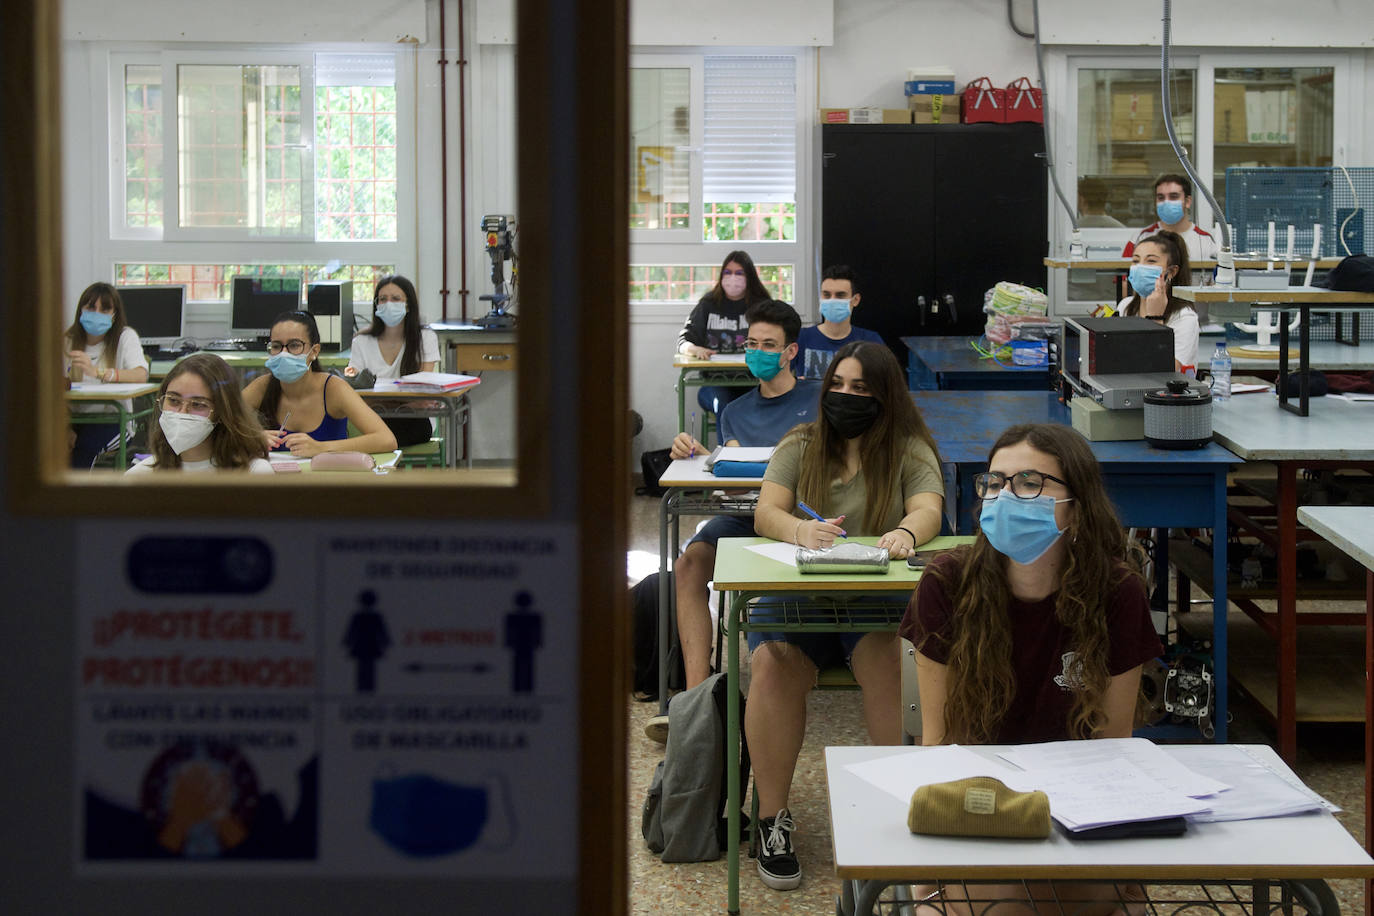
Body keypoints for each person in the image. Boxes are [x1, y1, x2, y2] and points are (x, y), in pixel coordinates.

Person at [900, 423, 1161, 915]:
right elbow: (939, 746)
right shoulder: (946, 584)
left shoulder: (1116, 593)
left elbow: (1113, 749)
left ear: (1076, 509)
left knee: (1058, 900)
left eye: (1029, 483)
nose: (1004, 496)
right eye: (995, 483)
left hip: (1079, 812)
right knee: (1013, 905)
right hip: (977, 808)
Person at [748, 340, 944, 891]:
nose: (845, 396)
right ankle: (772, 819)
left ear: (884, 396)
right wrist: (799, 530)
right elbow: (767, 510)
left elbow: (928, 508)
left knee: (886, 660)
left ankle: (894, 808)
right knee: (774, 668)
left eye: (860, 388)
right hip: (798, 595)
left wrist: (907, 532)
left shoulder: (907, 448)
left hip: (874, 600)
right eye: (837, 384)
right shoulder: (802, 443)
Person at [644, 300, 822, 742]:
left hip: (801, 519)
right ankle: (696, 698)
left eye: (769, 345)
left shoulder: (819, 403)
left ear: (790, 352)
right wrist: (708, 460)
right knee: (688, 563)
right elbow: (738, 489)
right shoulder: (735, 411)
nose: (757, 351)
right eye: (751, 343)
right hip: (745, 517)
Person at [242, 311, 397, 457]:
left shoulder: (334, 388)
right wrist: (250, 437)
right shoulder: (263, 386)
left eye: (294, 345)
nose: (284, 353)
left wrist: (320, 448)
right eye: (276, 346)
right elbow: (219, 420)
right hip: (280, 483)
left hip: (328, 481)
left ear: (314, 351)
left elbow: (386, 439)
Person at [127, 353, 274, 474]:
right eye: (173, 400)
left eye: (197, 404)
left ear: (222, 412)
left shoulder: (254, 473)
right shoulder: (140, 475)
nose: (182, 412)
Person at [676, 249, 773, 427]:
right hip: (713, 383)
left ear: (749, 277)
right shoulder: (708, 304)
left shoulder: (762, 305)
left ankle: (752, 454)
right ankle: (729, 453)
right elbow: (683, 343)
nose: (732, 278)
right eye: (727, 273)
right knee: (724, 407)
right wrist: (695, 349)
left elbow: (776, 341)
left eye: (739, 273)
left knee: (759, 407)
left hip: (753, 382)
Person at [345, 275, 441, 447]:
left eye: (396, 299)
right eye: (382, 299)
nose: (388, 303)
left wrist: (381, 402)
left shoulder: (426, 337)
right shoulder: (361, 341)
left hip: (415, 421)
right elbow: (356, 394)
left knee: (379, 439)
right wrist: (403, 402)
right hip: (374, 421)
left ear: (409, 305)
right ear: (376, 305)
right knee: (373, 433)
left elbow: (422, 393)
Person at [64, 282, 151, 469]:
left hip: (113, 421)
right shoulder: (68, 340)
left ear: (114, 315)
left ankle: (75, 496)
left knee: (84, 446)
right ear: (81, 310)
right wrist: (66, 427)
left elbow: (140, 375)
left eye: (105, 309)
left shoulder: (125, 337)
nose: (96, 313)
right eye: (91, 307)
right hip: (73, 419)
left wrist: (98, 373)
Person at [1118, 230, 1201, 374]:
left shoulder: (1185, 317)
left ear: (1172, 272)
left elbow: (1164, 372)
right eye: (1136, 261)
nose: (1140, 267)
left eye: (1151, 261)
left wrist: (1156, 320)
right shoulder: (1125, 306)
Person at [1121, 173, 1218, 285]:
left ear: (1187, 201)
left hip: (1193, 303)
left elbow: (1215, 286)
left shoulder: (1206, 241)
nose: (1166, 202)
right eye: (1161, 197)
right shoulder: (1140, 238)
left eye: (1174, 196)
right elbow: (1124, 283)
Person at [791, 264, 884, 379]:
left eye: (840, 295)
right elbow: (780, 378)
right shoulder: (801, 337)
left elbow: (884, 384)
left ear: (855, 300)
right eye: (826, 294)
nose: (832, 300)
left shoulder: (871, 341)